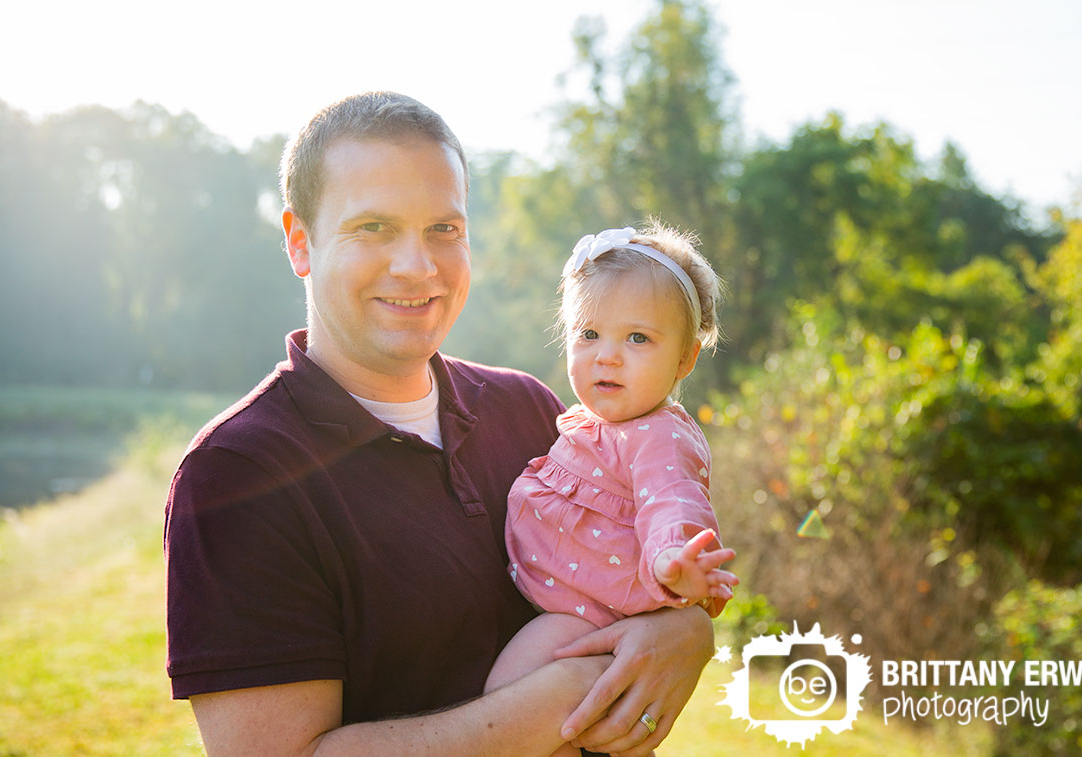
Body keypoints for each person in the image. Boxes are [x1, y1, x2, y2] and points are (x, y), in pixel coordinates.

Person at [164, 92, 715, 756]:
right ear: (300, 241)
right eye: (373, 227)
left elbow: (638, 572)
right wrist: (568, 693)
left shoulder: (531, 411)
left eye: (443, 230)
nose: (417, 266)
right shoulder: (239, 474)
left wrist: (685, 633)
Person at [483, 226, 738, 753]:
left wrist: (674, 560)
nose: (608, 356)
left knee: (506, 706)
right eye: (589, 334)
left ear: (686, 359)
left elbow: (671, 500)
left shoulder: (658, 436)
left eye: (638, 338)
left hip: (587, 622)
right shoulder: (591, 423)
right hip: (564, 606)